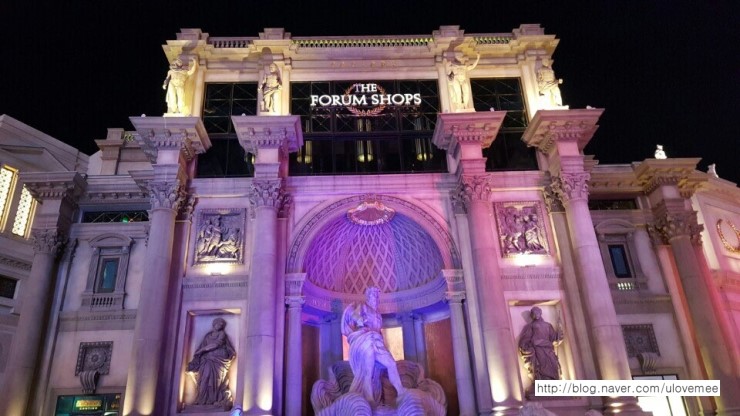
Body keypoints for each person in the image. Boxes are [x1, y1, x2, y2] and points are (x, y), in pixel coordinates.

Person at [341, 287, 405, 406]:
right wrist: (359, 319)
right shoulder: (363, 306)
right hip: (366, 340)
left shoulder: (378, 314)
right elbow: (354, 315)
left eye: (377, 296)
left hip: (376, 341)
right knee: (368, 370)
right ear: (368, 297)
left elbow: (379, 331)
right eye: (373, 295)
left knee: (391, 363)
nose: (375, 298)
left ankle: (401, 392)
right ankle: (369, 399)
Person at [187, 318, 236, 406]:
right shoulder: (208, 336)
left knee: (216, 380)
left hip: (219, 360)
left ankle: (213, 399)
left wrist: (203, 350)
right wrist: (200, 353)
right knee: (204, 378)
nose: (220, 326)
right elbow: (202, 346)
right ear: (214, 324)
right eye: (218, 324)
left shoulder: (222, 334)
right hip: (207, 360)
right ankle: (202, 399)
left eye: (221, 325)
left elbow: (216, 344)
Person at [518, 307, 563, 381]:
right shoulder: (531, 326)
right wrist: (528, 348)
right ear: (532, 315)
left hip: (549, 349)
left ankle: (554, 381)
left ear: (540, 312)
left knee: (554, 364)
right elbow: (525, 340)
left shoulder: (548, 325)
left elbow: (554, 338)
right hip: (538, 349)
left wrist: (559, 332)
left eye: (537, 312)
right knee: (542, 367)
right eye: (533, 313)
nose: (535, 314)